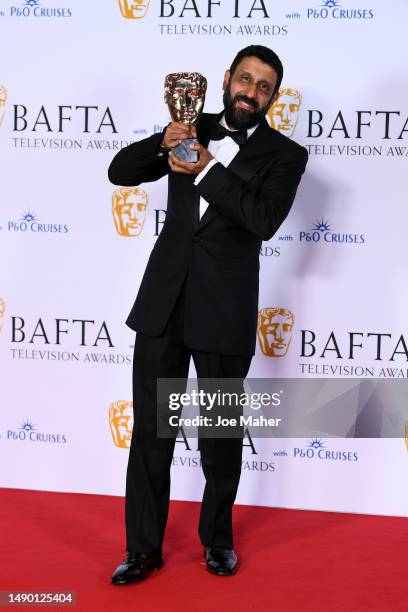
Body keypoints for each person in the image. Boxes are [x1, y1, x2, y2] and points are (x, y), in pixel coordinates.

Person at [108, 44, 308, 584]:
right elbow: (119, 171)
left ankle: (218, 540)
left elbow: (261, 219)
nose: (251, 92)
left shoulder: (286, 156)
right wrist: (163, 140)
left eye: (263, 86)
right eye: (245, 79)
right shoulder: (187, 123)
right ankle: (142, 549)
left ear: (272, 97)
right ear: (226, 78)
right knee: (153, 432)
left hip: (225, 309)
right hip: (164, 303)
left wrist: (206, 167)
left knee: (220, 436)